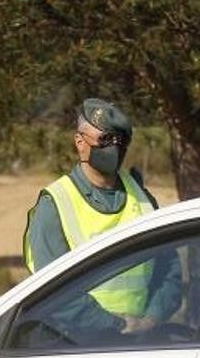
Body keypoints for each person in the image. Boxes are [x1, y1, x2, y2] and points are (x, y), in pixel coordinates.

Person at [22, 98, 182, 336]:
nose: (114, 147)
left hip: (141, 343)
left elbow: (170, 272)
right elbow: (52, 293)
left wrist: (150, 320)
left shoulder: (144, 200)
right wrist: (114, 326)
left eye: (121, 141)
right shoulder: (55, 203)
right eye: (105, 140)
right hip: (75, 345)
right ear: (80, 142)